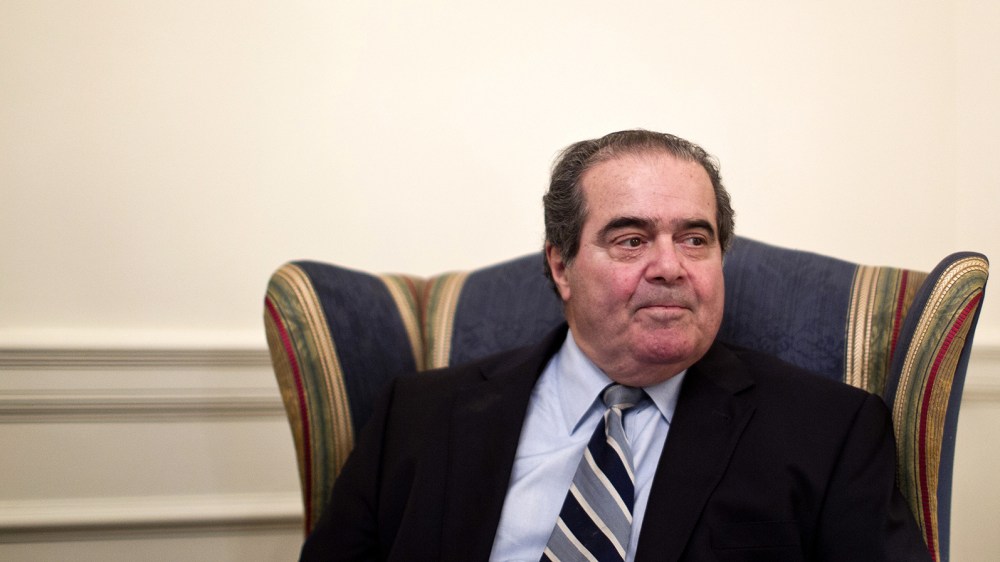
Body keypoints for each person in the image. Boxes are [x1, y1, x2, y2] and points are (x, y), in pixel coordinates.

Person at [300, 130, 931, 561]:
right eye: (631, 239)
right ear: (561, 266)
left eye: (694, 239)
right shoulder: (419, 416)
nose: (669, 267)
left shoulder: (828, 433)